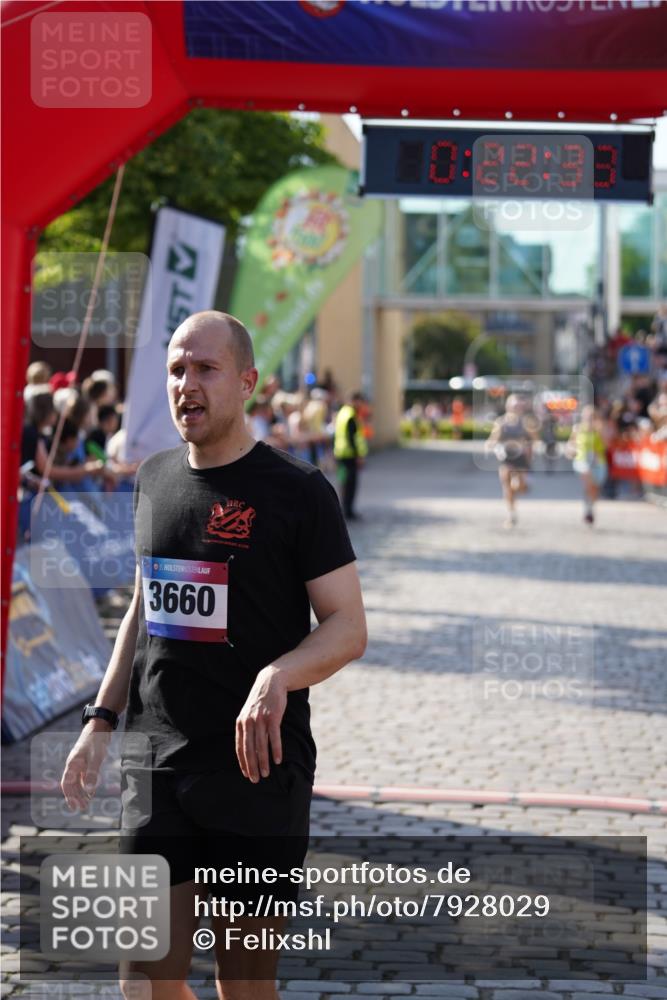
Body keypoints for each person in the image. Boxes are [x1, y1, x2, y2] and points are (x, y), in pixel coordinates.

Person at [61, 310, 367, 1000]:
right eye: (175, 369)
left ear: (248, 382)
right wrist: (100, 720)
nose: (185, 384)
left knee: (244, 985)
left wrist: (277, 674)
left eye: (205, 369)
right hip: (157, 765)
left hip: (255, 770)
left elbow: (347, 625)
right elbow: (142, 611)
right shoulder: (155, 478)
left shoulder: (299, 492)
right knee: (143, 979)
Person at [485, 393, 535, 529]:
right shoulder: (501, 422)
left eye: (519, 406)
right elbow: (492, 440)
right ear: (508, 406)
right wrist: (492, 445)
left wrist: (527, 446)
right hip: (506, 457)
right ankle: (511, 514)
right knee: (507, 485)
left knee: (519, 486)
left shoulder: (526, 422)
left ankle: (523, 486)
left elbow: (534, 440)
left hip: (521, 458)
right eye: (515, 406)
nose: (517, 408)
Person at [568, 405, 607, 525]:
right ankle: (588, 508)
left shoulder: (599, 430)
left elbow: (605, 446)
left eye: (592, 416)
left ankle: (589, 508)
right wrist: (571, 450)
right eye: (587, 416)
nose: (589, 418)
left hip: (598, 463)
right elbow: (571, 444)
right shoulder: (578, 429)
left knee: (593, 490)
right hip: (582, 461)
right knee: (587, 477)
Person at [333, 391, 368, 521]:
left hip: (341, 454)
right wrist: (358, 455)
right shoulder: (351, 415)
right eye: (360, 402)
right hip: (350, 455)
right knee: (350, 484)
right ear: (356, 401)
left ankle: (344, 509)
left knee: (344, 483)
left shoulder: (342, 413)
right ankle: (348, 511)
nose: (361, 405)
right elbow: (351, 437)